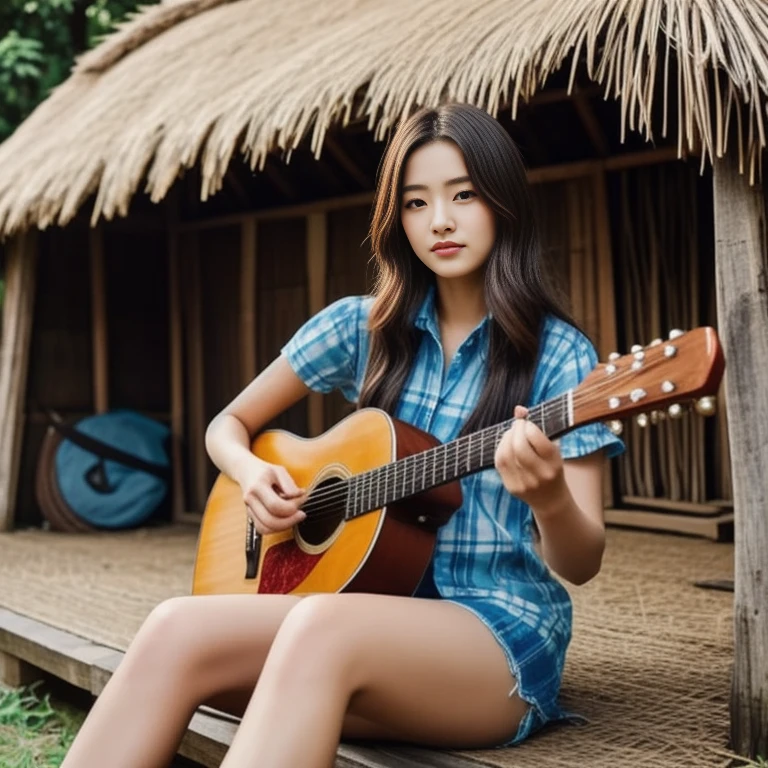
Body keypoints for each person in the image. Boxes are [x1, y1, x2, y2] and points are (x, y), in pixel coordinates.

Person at [61, 102, 624, 768]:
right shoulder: (360, 328)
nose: (440, 220)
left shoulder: (559, 356)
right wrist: (251, 473)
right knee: (174, 626)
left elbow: (581, 562)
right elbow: (227, 426)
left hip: (494, 640)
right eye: (415, 203)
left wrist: (550, 497)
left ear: (504, 202)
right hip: (354, 620)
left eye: (463, 195)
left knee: (322, 623)